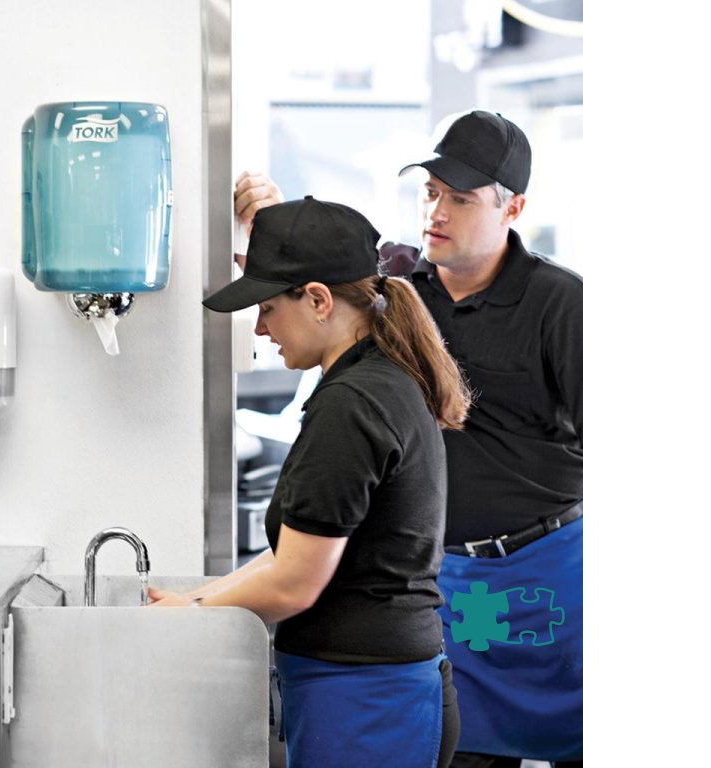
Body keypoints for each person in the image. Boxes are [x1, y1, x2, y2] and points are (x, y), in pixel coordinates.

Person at [233, 110, 583, 767]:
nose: (437, 212)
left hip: (548, 575)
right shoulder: (398, 291)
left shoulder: (563, 303)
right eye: (430, 192)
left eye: (460, 198)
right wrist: (272, 222)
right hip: (446, 586)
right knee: (464, 749)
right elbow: (321, 275)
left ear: (514, 208)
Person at [150, 195, 471, 768]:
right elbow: (291, 555)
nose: (260, 327)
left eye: (269, 308)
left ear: (318, 300)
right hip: (365, 687)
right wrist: (198, 599)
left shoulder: (353, 403)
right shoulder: (372, 381)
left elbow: (294, 584)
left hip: (369, 698)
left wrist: (192, 612)